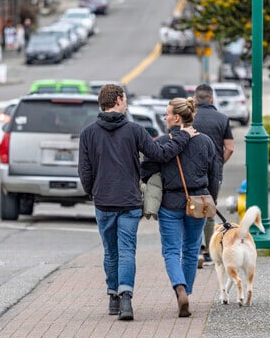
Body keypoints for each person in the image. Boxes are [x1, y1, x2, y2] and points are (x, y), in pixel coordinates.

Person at [78, 84, 197, 321]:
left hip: (103, 201)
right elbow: (160, 154)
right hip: (130, 201)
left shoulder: (88, 133)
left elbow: (85, 170)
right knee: (127, 251)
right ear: (119, 100)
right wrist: (183, 135)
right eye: (125, 99)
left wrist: (93, 192)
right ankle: (125, 299)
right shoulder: (134, 130)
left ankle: (112, 295)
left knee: (110, 252)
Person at [141, 97, 219, 318]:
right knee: (192, 249)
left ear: (176, 117)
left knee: (171, 251)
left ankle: (179, 288)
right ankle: (188, 292)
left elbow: (145, 170)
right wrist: (211, 198)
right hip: (199, 202)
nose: (164, 118)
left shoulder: (163, 142)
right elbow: (214, 175)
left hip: (170, 203)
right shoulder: (206, 142)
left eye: (166, 114)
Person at [192, 84, 234, 267]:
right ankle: (209, 252)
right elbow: (230, 148)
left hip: (191, 169)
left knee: (192, 209)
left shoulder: (190, 118)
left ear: (195, 100)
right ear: (212, 99)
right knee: (209, 210)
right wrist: (219, 164)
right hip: (214, 171)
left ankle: (193, 250)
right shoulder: (222, 118)